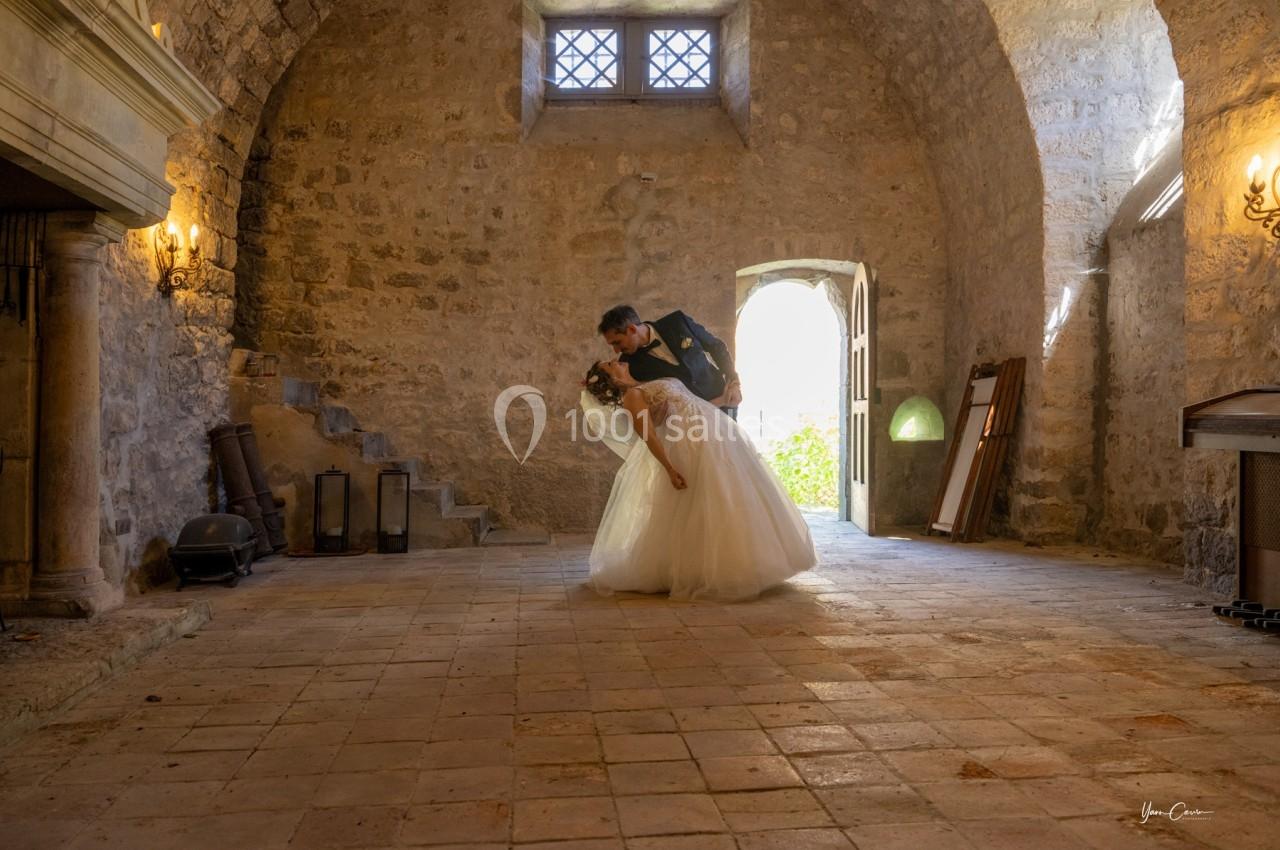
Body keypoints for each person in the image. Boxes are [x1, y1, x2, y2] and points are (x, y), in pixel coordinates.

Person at [581, 359, 816, 602]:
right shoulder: (632, 396)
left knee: (729, 500)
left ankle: (736, 561)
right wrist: (670, 469)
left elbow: (690, 405)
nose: (616, 360)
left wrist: (722, 402)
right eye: (610, 365)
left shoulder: (645, 384)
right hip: (689, 449)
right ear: (611, 379)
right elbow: (648, 435)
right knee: (703, 506)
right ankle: (701, 570)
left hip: (715, 438)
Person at [599, 305, 742, 420]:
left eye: (617, 342)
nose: (616, 350)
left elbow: (717, 347)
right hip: (692, 424)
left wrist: (734, 382)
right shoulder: (627, 366)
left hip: (725, 403)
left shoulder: (677, 322)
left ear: (631, 329)